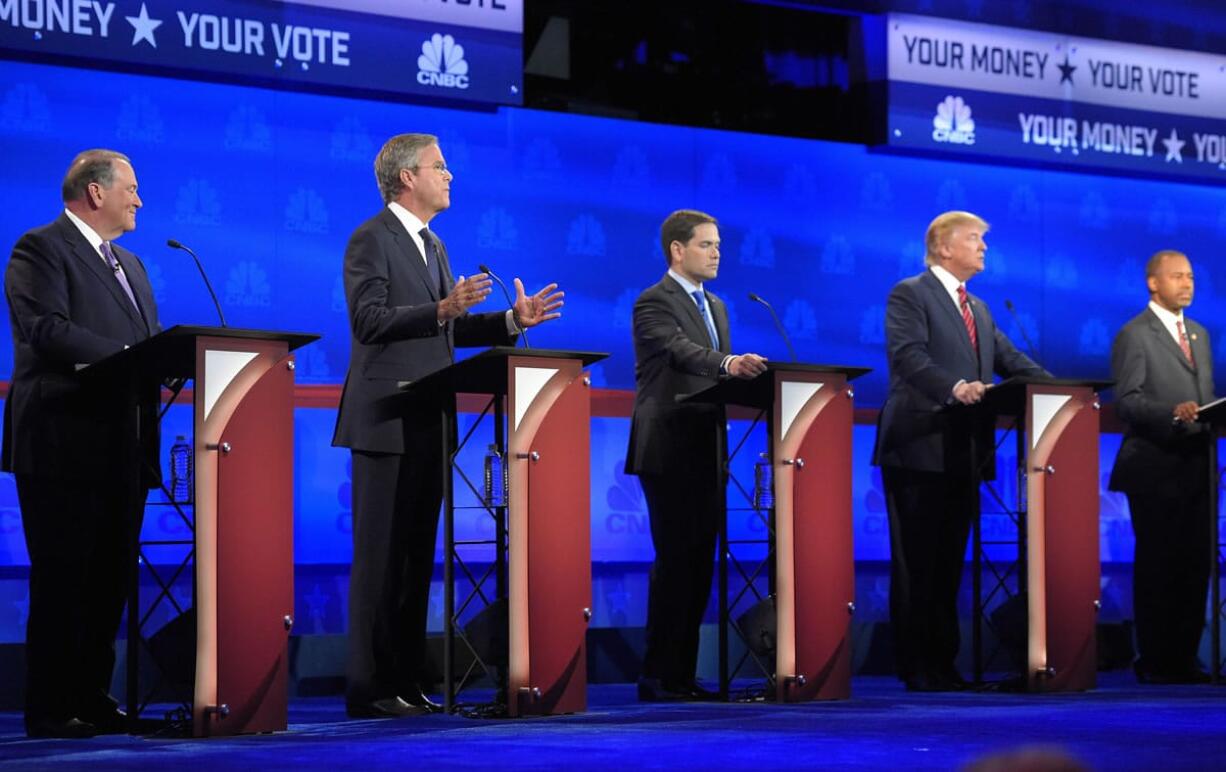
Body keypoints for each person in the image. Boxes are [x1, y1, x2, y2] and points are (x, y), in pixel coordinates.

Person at [332, 133, 563, 718]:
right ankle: (371, 687)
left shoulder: (433, 245)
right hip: (385, 420)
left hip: (428, 420)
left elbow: (448, 330)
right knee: (381, 559)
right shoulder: (371, 238)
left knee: (414, 560)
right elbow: (369, 321)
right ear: (407, 177)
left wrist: (512, 319)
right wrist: (440, 309)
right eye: (440, 166)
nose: (450, 175)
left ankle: (406, 681)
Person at [3, 149, 161, 737]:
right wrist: (128, 358)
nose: (139, 200)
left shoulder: (134, 265)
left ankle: (92, 693)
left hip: (124, 443)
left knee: (110, 579)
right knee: (64, 576)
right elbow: (46, 329)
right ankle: (50, 705)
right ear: (96, 193)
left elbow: (146, 343)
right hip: (62, 439)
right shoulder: (39, 249)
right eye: (132, 188)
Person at [873, 210, 1047, 692]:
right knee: (918, 563)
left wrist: (1066, 392)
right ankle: (917, 666)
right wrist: (955, 387)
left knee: (950, 563)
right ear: (944, 247)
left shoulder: (981, 309)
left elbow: (1012, 361)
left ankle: (944, 664)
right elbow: (908, 357)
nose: (984, 247)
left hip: (963, 451)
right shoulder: (910, 293)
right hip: (918, 445)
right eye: (974, 239)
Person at [625, 209, 767, 701]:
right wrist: (727, 362)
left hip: (708, 447)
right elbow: (680, 350)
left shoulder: (720, 307)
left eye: (719, 245)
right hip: (666, 446)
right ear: (677, 250)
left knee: (700, 563)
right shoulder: (652, 302)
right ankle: (657, 674)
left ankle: (682, 674)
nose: (716, 253)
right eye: (707, 245)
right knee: (675, 560)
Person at [1109, 250, 1214, 684]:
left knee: (1195, 563)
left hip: (1197, 465)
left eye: (1190, 276)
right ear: (1154, 283)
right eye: (1177, 277)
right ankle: (1154, 659)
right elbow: (1128, 401)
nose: (1187, 283)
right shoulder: (1135, 334)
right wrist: (1173, 412)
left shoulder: (1200, 334)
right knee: (1159, 564)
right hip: (1154, 465)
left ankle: (1186, 658)